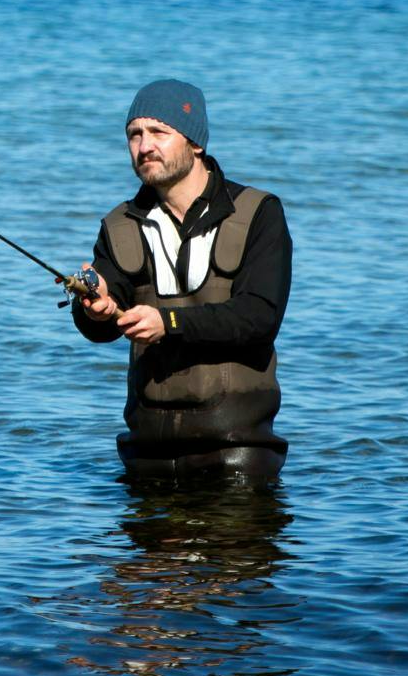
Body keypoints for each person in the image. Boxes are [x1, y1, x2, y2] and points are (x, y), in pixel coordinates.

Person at [73, 79, 292, 479]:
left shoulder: (259, 213)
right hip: (146, 459)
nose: (144, 146)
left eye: (159, 132)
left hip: (237, 457)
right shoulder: (119, 223)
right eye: (134, 135)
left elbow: (259, 317)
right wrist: (94, 305)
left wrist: (168, 323)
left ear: (195, 142)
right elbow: (101, 316)